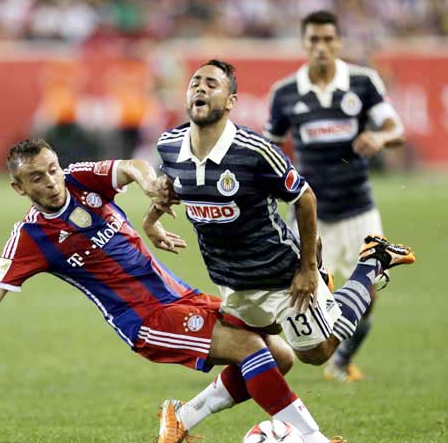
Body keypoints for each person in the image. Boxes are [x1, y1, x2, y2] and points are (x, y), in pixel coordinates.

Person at [0, 138, 377, 443]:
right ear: (18, 187)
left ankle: (182, 418)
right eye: (38, 178)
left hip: (179, 294)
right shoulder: (30, 237)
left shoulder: (81, 178)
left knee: (280, 356)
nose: (51, 181)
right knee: (250, 350)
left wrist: (148, 182)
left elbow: (131, 166)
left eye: (52, 169)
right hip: (144, 319)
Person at [146, 59, 414, 371]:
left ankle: (371, 262)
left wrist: (308, 268)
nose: (200, 88)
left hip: (278, 271)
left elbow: (305, 197)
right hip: (228, 276)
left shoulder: (255, 151)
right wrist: (150, 221)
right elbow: (176, 188)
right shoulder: (169, 145)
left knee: (316, 353)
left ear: (231, 101)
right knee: (259, 339)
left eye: (211, 84)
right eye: (195, 83)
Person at [263, 11, 405, 382]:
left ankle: (340, 362)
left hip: (359, 207)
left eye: (328, 39)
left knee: (369, 295)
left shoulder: (362, 82)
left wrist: (380, 138)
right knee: (299, 292)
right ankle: (271, 358)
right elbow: (270, 150)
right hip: (311, 213)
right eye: (314, 40)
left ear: (339, 42)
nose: (322, 47)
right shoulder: (285, 93)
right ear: (304, 43)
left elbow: (395, 128)